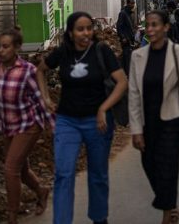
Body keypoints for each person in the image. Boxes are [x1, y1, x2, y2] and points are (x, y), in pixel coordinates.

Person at [37, 12, 128, 224]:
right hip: (67, 121)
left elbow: (122, 82)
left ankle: (99, 218)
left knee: (97, 174)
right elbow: (40, 70)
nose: (86, 33)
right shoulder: (63, 52)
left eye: (89, 28)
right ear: (70, 33)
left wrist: (103, 108)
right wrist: (45, 98)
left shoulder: (101, 50)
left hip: (98, 122)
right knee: (63, 174)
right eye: (80, 29)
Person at [0, 29, 53, 224]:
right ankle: (41, 191)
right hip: (8, 125)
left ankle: (12, 216)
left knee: (10, 168)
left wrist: (54, 126)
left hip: (28, 125)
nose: (0, 50)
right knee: (21, 170)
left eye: (5, 47)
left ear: (17, 48)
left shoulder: (28, 70)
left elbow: (40, 99)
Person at [129, 10, 179, 224]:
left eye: (155, 25)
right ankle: (169, 203)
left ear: (166, 27)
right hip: (147, 122)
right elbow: (134, 94)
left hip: (171, 120)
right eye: (147, 25)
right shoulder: (137, 57)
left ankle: (168, 213)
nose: (150, 29)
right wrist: (136, 130)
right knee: (148, 164)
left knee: (168, 166)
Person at [117, 0, 136, 75]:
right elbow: (119, 26)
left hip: (130, 39)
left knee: (129, 57)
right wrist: (123, 37)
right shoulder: (123, 13)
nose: (133, 5)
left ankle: (128, 73)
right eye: (131, 3)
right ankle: (127, 74)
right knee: (126, 57)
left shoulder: (129, 13)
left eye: (133, 3)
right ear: (127, 3)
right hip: (126, 40)